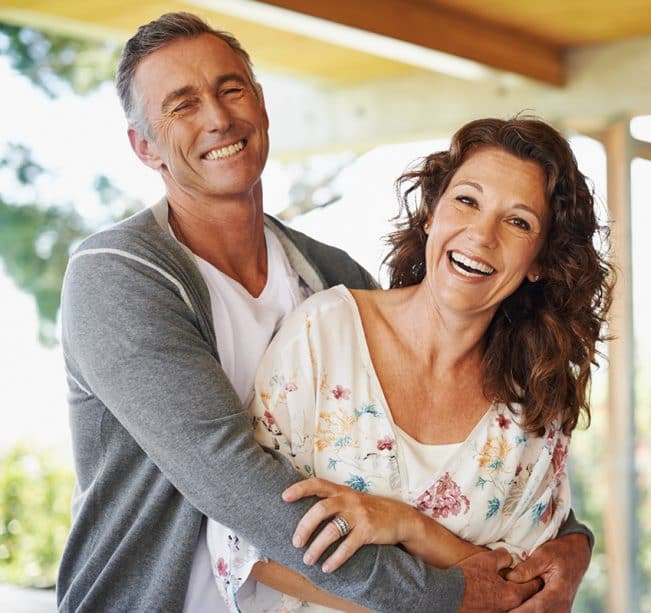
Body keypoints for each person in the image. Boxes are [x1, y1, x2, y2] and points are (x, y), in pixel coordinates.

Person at [56, 11, 595, 612]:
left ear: (260, 103)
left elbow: (468, 479)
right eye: (181, 105)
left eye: (231, 88)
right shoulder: (120, 277)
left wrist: (572, 545)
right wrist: (446, 593)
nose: (217, 116)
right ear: (144, 147)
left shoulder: (329, 277)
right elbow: (232, 480)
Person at [205, 116, 613, 613]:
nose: (482, 235)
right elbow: (242, 542)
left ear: (540, 262)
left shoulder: (532, 407)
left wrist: (405, 524)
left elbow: (524, 592)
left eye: (518, 221)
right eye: (467, 200)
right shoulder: (324, 337)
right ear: (430, 214)